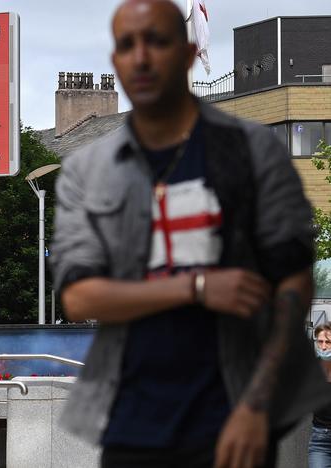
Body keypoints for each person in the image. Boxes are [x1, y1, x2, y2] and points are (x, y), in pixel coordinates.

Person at [50, 1, 330, 468]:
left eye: (157, 42)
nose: (140, 58)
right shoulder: (89, 170)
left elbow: (294, 282)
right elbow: (78, 297)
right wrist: (194, 286)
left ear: (187, 53)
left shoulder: (253, 151)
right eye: (125, 45)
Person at [309, 323, 331, 468]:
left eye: (328, 342)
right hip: (320, 439)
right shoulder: (313, 370)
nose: (323, 347)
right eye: (320, 341)